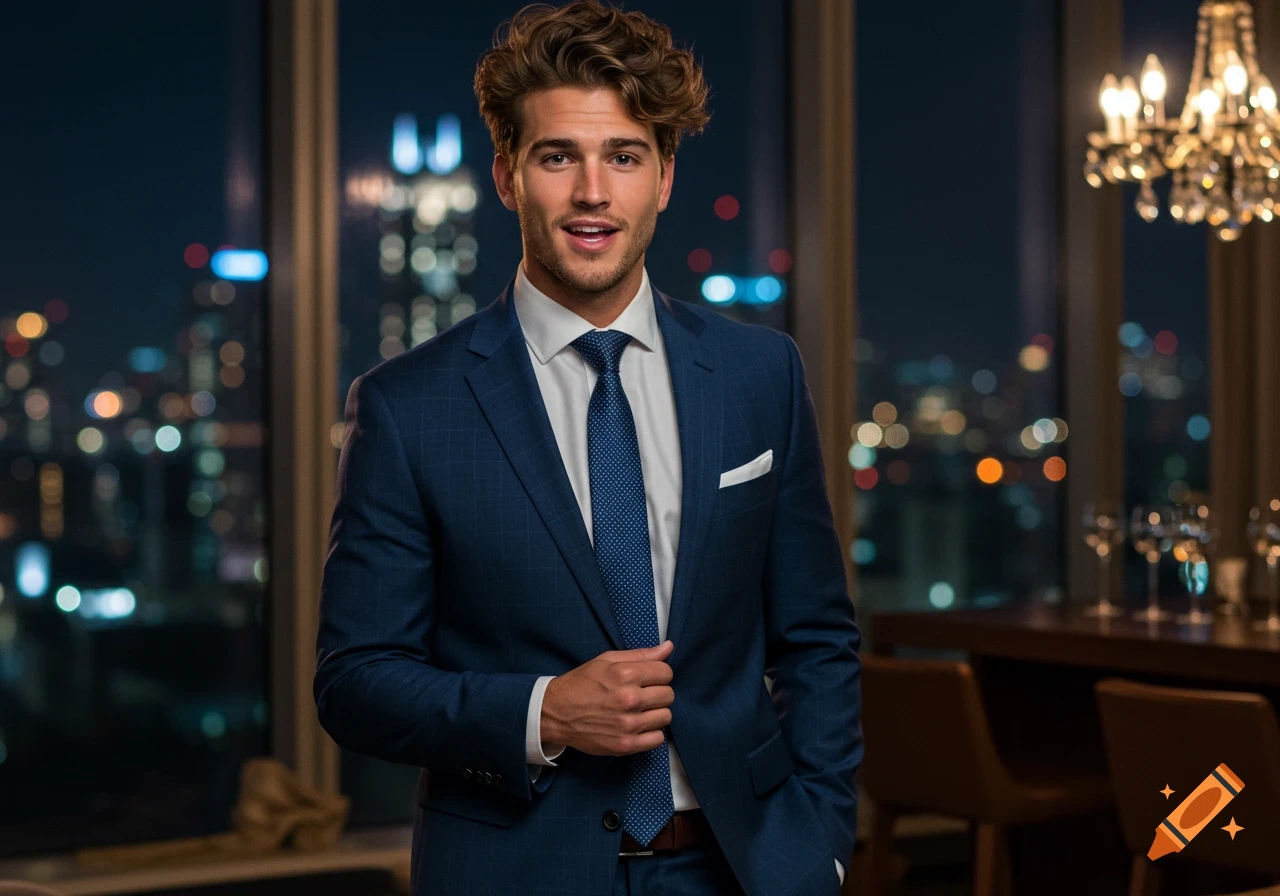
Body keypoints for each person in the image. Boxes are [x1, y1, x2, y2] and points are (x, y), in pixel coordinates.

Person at [314, 2, 862, 894]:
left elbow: (817, 638)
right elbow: (356, 681)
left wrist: (822, 846)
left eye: (625, 156)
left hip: (742, 868)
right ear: (506, 175)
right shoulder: (407, 406)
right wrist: (544, 712)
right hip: (514, 871)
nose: (593, 192)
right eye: (558, 155)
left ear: (665, 177)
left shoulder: (761, 373)